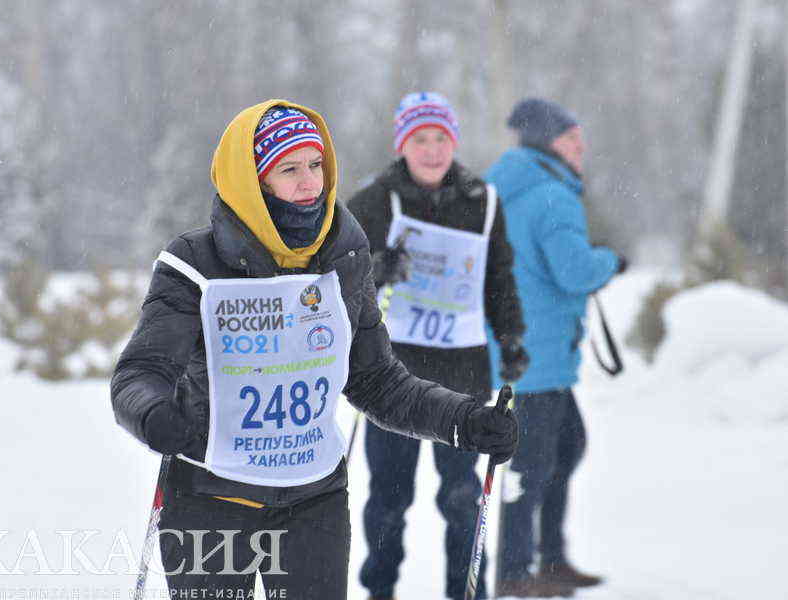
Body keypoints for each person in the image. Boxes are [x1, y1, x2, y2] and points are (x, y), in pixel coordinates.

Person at [110, 99, 519, 599]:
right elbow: (140, 372)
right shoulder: (195, 265)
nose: (310, 183)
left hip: (314, 500)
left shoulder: (342, 255)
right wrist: (151, 412)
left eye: (315, 165)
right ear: (254, 180)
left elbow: (376, 381)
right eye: (289, 169)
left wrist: (465, 420)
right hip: (211, 496)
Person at [347, 92, 528, 600]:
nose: (431, 150)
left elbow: (499, 277)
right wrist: (377, 270)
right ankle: (379, 588)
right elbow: (342, 269)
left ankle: (465, 590)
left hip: (462, 367)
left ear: (454, 142)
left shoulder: (482, 200)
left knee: (461, 493)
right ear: (403, 144)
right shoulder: (377, 198)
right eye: (420, 139)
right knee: (388, 495)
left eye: (440, 139)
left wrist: (511, 336)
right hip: (392, 373)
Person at [483, 98, 627, 598]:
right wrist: (611, 261)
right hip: (539, 355)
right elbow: (575, 271)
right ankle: (517, 573)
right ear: (547, 143)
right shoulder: (552, 196)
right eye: (571, 139)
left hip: (520, 348)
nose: (580, 147)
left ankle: (546, 560)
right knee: (535, 465)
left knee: (561, 450)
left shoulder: (508, 189)